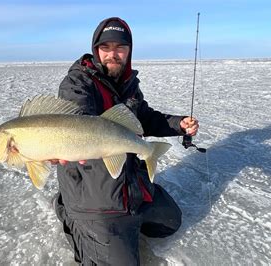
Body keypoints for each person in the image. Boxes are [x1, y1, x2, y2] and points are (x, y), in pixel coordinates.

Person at [53, 17, 199, 265]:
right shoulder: (77, 83)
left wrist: (178, 124)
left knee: (169, 222)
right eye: (106, 48)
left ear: (129, 51)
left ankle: (129, 216)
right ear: (96, 49)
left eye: (120, 48)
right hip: (95, 198)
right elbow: (77, 117)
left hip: (131, 185)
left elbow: (143, 118)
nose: (113, 54)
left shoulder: (129, 84)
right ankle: (69, 212)